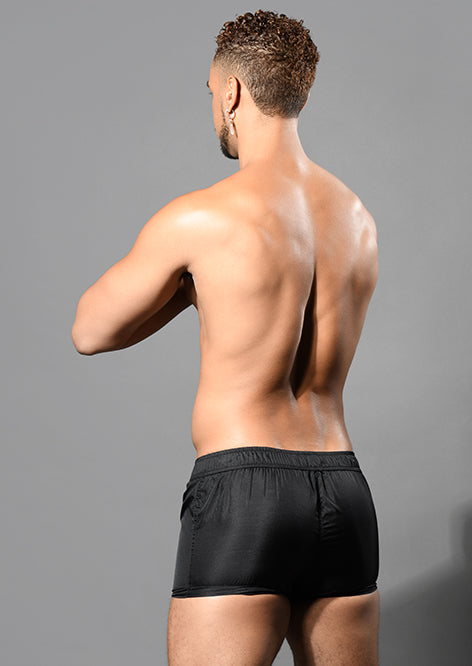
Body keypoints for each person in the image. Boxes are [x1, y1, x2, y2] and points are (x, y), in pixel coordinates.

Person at [72, 9, 380, 665]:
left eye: (211, 92)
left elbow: (90, 330)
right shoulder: (357, 220)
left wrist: (190, 288)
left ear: (232, 92)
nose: (212, 106)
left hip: (245, 491)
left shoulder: (202, 217)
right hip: (343, 487)